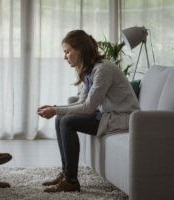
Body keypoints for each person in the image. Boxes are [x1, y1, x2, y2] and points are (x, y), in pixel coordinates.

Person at [37, 30, 140, 193]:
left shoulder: (103, 69)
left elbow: (88, 107)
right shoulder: (89, 70)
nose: (65, 57)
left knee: (67, 121)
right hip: (105, 114)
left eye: (67, 52)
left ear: (80, 50)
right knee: (61, 118)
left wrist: (56, 110)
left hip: (121, 118)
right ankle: (66, 173)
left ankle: (71, 181)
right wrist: (57, 109)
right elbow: (82, 102)